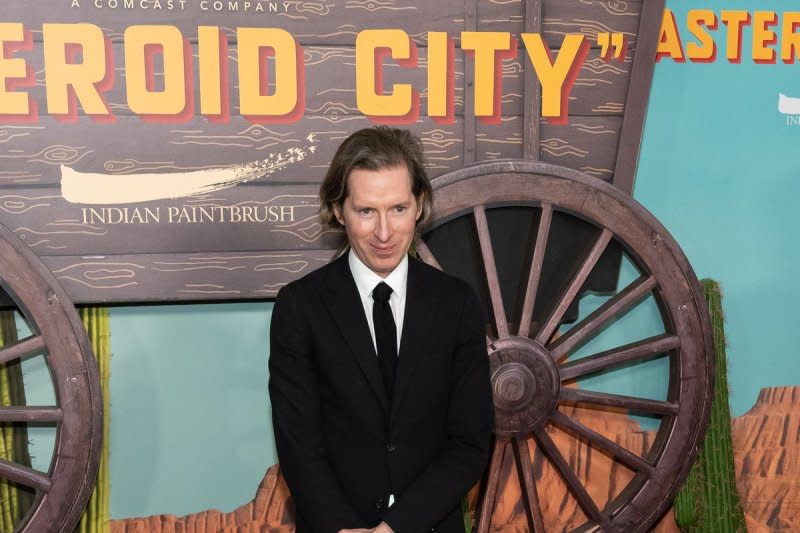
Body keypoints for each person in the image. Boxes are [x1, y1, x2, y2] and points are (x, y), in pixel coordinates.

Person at [269, 126, 493, 533]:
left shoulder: (457, 304)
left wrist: (393, 529)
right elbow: (298, 446)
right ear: (339, 210)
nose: (385, 233)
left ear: (419, 204)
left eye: (398, 209)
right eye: (367, 211)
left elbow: (469, 443)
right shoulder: (300, 307)